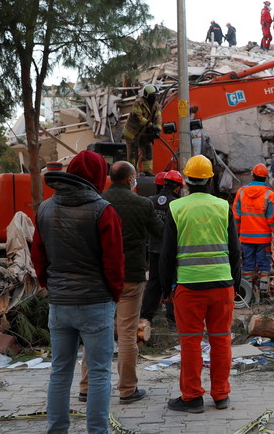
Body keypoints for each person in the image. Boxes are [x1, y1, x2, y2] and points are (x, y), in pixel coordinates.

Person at [30, 150, 124, 434]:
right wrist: (114, 295)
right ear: (99, 176)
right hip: (96, 302)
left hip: (60, 304)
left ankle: (56, 430)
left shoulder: (45, 208)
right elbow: (114, 262)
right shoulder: (104, 210)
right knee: (99, 373)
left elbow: (38, 257)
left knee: (60, 371)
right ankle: (97, 430)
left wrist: (51, 286)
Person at [76, 161, 162, 405]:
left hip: (100, 277)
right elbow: (160, 232)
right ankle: (127, 389)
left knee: (95, 331)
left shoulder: (96, 203)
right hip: (131, 277)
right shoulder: (142, 204)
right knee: (126, 334)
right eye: (135, 176)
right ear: (129, 179)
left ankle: (87, 388)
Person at [160, 155, 240, 413]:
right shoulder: (223, 206)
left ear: (186, 180)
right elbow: (235, 251)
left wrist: (165, 288)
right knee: (221, 340)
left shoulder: (177, 208)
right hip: (222, 285)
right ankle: (221, 395)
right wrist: (235, 284)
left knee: (191, 343)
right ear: (210, 180)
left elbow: (167, 254)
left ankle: (192, 397)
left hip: (189, 287)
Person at [232, 163, 274, 304]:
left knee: (247, 266)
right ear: (265, 178)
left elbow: (236, 218)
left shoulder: (241, 192)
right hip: (263, 239)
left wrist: (236, 236)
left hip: (246, 238)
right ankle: (264, 296)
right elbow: (272, 220)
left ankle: (249, 296)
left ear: (253, 176)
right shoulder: (269, 195)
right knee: (264, 266)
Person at [141, 170, 183, 325]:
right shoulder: (177, 204)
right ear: (177, 188)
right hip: (171, 251)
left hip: (154, 249)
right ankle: (172, 318)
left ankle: (146, 316)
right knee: (173, 282)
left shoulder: (150, 201)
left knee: (154, 282)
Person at [122, 84, 161, 176]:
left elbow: (158, 118)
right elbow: (138, 117)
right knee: (132, 153)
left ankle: (147, 171)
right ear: (147, 95)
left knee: (148, 150)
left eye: (155, 95)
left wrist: (158, 129)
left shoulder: (156, 105)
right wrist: (151, 125)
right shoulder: (138, 103)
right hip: (132, 133)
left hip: (144, 134)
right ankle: (132, 172)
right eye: (153, 95)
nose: (155, 97)